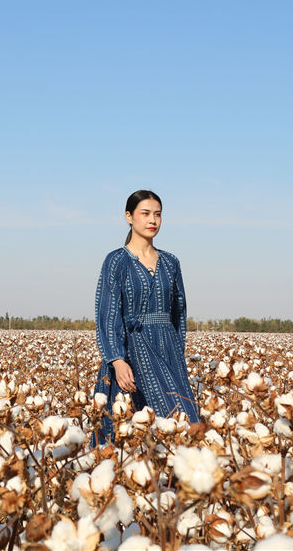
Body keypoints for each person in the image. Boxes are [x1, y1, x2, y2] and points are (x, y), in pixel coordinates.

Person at [92, 190, 200, 445]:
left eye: (158, 214)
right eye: (145, 214)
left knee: (183, 424)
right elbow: (107, 314)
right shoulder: (116, 261)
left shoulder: (171, 262)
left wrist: (176, 350)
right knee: (128, 431)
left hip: (168, 351)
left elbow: (179, 313)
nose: (153, 220)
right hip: (130, 352)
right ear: (129, 217)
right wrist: (117, 360)